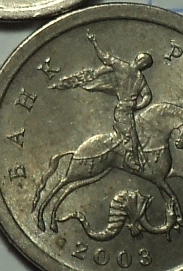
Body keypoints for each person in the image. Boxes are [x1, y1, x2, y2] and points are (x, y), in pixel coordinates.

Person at [51, 33, 153, 171]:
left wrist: (137, 106)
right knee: (130, 135)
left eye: (143, 62)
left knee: (133, 134)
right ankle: (130, 159)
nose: (140, 63)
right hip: (123, 110)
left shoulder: (133, 74)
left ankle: (131, 156)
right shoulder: (128, 70)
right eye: (142, 61)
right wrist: (137, 106)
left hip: (126, 109)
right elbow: (147, 96)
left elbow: (147, 95)